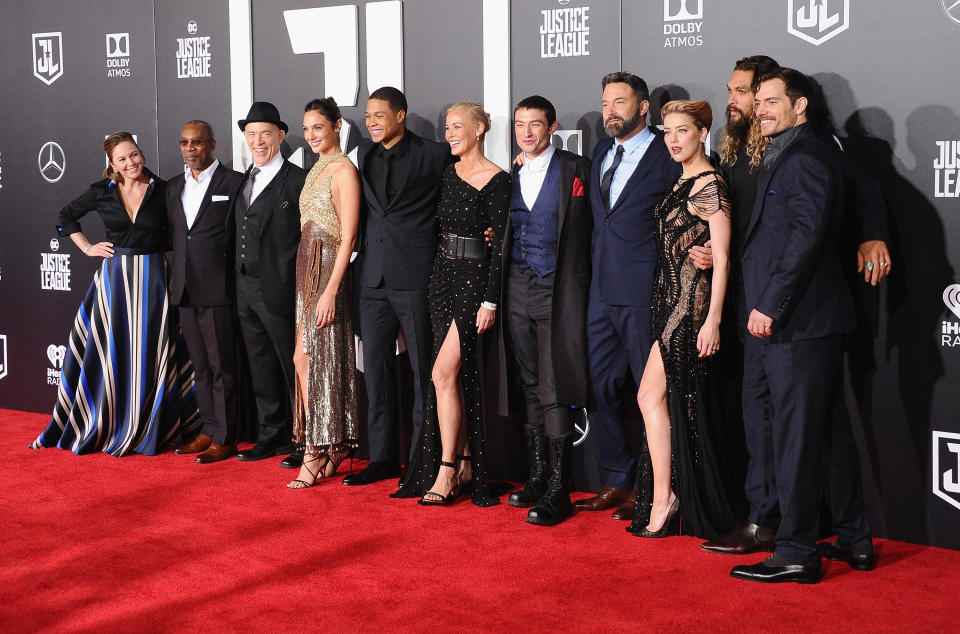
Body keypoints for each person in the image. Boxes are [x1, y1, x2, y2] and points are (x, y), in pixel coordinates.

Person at [702, 56, 887, 563]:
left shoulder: (809, 152)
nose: (752, 106)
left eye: (763, 98)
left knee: (797, 434)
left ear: (799, 105)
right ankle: (850, 538)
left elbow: (808, 235)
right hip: (773, 309)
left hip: (791, 316)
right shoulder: (756, 149)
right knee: (821, 429)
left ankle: (795, 549)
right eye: (748, 97)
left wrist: (770, 304)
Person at [32, 132, 198, 456]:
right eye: (122, 158)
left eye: (134, 155)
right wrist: (88, 247)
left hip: (154, 281)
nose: (130, 162)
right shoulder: (101, 193)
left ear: (142, 155)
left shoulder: (164, 190)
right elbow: (65, 218)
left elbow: (183, 234)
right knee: (114, 352)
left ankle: (153, 425)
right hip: (115, 282)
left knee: (152, 352)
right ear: (112, 164)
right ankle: (111, 420)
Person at [574, 72, 682, 520]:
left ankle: (658, 488)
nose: (610, 111)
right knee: (599, 387)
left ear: (643, 108)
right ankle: (617, 478)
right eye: (605, 103)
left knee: (652, 394)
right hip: (600, 292)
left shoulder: (668, 153)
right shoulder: (601, 151)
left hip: (645, 292)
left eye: (620, 102)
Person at [630, 100, 739, 540]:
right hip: (666, 305)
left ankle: (668, 499)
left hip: (690, 310)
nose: (674, 140)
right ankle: (669, 496)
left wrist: (713, 319)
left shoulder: (710, 184)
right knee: (660, 401)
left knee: (657, 399)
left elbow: (724, 257)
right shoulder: (681, 182)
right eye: (668, 132)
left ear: (702, 133)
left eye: (683, 131)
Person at [393, 102, 511, 506]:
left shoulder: (498, 180)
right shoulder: (445, 175)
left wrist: (491, 300)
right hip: (440, 280)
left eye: (458, 126)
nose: (450, 133)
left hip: (474, 283)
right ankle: (462, 462)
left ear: (480, 130)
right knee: (451, 378)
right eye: (447, 127)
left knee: (442, 374)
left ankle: (444, 471)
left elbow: (501, 250)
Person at [346, 87, 454, 486]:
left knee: (424, 374)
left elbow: (458, 198)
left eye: (378, 115)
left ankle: (424, 461)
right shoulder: (364, 156)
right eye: (368, 117)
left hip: (416, 276)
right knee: (375, 373)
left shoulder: (434, 154)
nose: (371, 123)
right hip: (373, 279)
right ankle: (383, 457)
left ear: (401, 115)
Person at [501, 95, 592, 525]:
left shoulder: (576, 169)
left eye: (535, 124)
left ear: (552, 127)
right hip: (518, 285)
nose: (527, 132)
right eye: (520, 124)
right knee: (531, 381)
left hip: (559, 288)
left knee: (555, 383)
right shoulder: (512, 171)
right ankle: (537, 476)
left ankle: (561, 487)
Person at [228, 102, 308, 466]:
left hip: (281, 289)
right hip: (245, 287)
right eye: (251, 135)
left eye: (265, 134)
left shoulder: (298, 179)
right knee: (260, 366)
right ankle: (271, 434)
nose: (258, 141)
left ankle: (303, 440)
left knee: (292, 366)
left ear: (280, 135)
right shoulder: (245, 177)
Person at [286, 97, 361, 488]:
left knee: (319, 358)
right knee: (303, 357)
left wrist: (331, 289)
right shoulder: (315, 168)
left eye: (319, 127)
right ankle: (328, 444)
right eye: (307, 128)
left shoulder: (344, 170)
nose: (312, 134)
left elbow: (349, 235)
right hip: (305, 269)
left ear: (336, 127)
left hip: (329, 268)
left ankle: (317, 449)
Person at [166, 120, 246, 463]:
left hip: (218, 290)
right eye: (184, 142)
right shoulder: (172, 187)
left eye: (196, 142)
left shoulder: (235, 183)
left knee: (222, 367)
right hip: (184, 289)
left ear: (211, 144)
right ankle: (209, 429)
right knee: (200, 367)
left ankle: (227, 437)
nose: (189, 149)